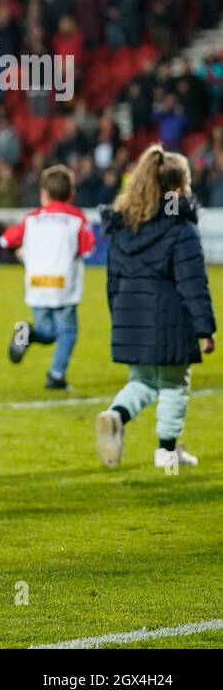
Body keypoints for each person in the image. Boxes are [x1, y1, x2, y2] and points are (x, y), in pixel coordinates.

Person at [95, 146, 216, 470]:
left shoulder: (123, 227)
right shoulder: (180, 228)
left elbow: (113, 280)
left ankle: (115, 416)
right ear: (178, 188)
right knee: (175, 384)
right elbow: (192, 281)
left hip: (129, 316)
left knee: (144, 382)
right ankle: (167, 453)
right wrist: (205, 328)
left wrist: (119, 318)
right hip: (170, 319)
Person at [2, 165, 96, 389]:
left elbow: (5, 241)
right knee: (67, 331)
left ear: (43, 193)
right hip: (63, 283)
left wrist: (23, 249)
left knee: (47, 331)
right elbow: (88, 248)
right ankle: (56, 376)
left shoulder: (32, 218)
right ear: (71, 194)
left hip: (37, 283)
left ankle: (26, 333)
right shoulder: (76, 218)